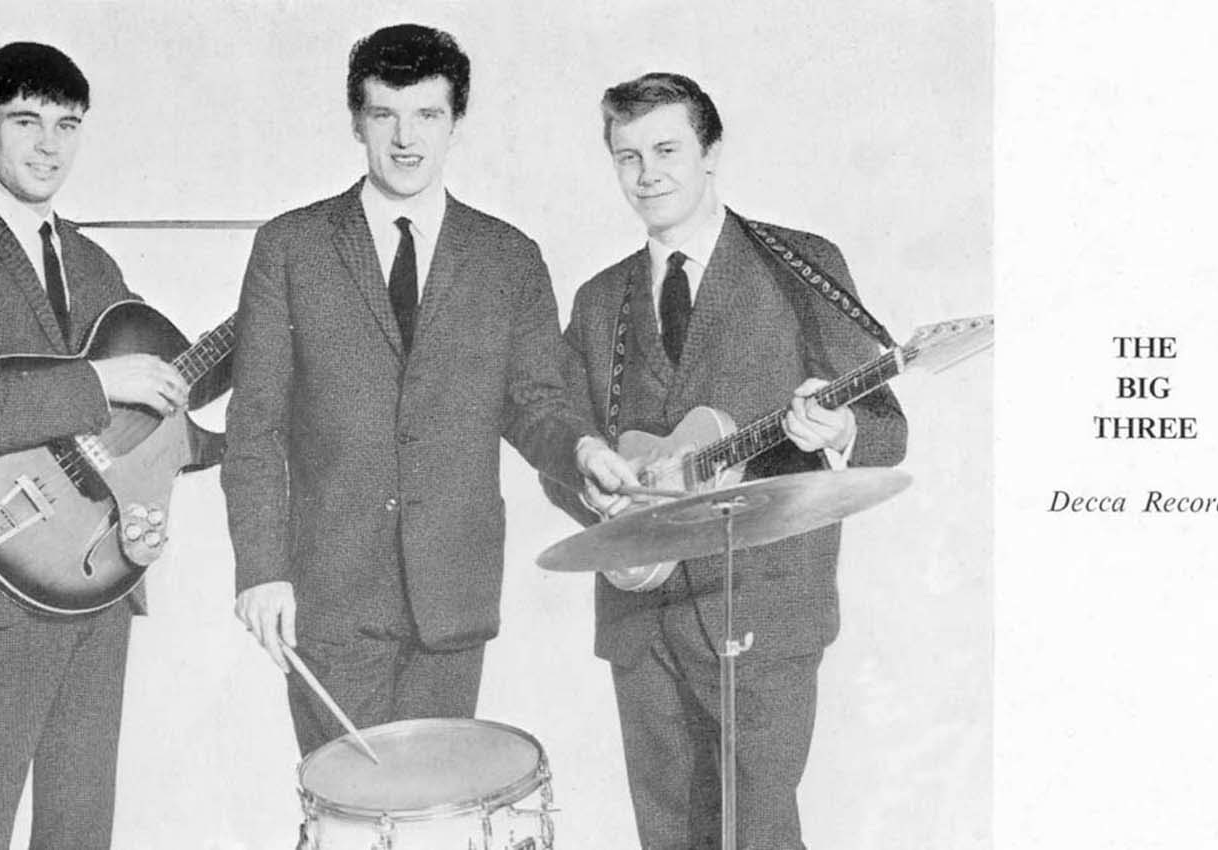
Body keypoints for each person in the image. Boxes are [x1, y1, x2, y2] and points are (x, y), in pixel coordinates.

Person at [223, 23, 605, 756]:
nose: (406, 138)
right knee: (351, 806)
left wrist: (582, 450)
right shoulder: (290, 247)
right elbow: (256, 426)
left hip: (452, 597)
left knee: (437, 806)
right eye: (384, 115)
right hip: (329, 598)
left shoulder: (508, 257)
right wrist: (261, 571)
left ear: (456, 122)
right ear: (356, 121)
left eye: (427, 114)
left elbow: (537, 406)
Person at [554, 73, 909, 849]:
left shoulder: (800, 266)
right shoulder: (597, 300)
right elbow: (562, 439)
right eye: (626, 156)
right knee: (666, 838)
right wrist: (590, 486)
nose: (646, 174)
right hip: (640, 619)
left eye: (666, 150)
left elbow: (886, 430)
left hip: (764, 609)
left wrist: (837, 432)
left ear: (711, 152)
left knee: (760, 836)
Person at [0, 42, 188, 850]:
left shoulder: (93, 261)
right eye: (27, 121)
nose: (49, 145)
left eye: (67, 125)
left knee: (81, 830)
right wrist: (102, 380)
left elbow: (142, 423)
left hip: (96, 571)